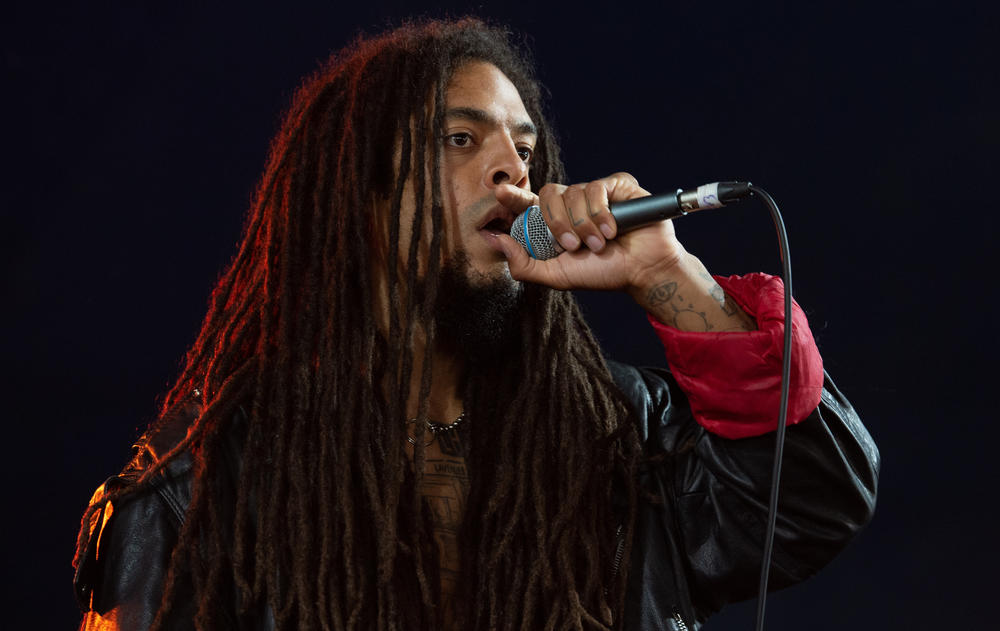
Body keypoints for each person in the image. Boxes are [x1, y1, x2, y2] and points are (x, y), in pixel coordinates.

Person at [72, 18, 879, 631]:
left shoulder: (623, 432)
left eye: (524, 148)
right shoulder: (197, 494)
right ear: (358, 192)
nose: (513, 170)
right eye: (461, 138)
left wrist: (671, 276)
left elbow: (811, 504)